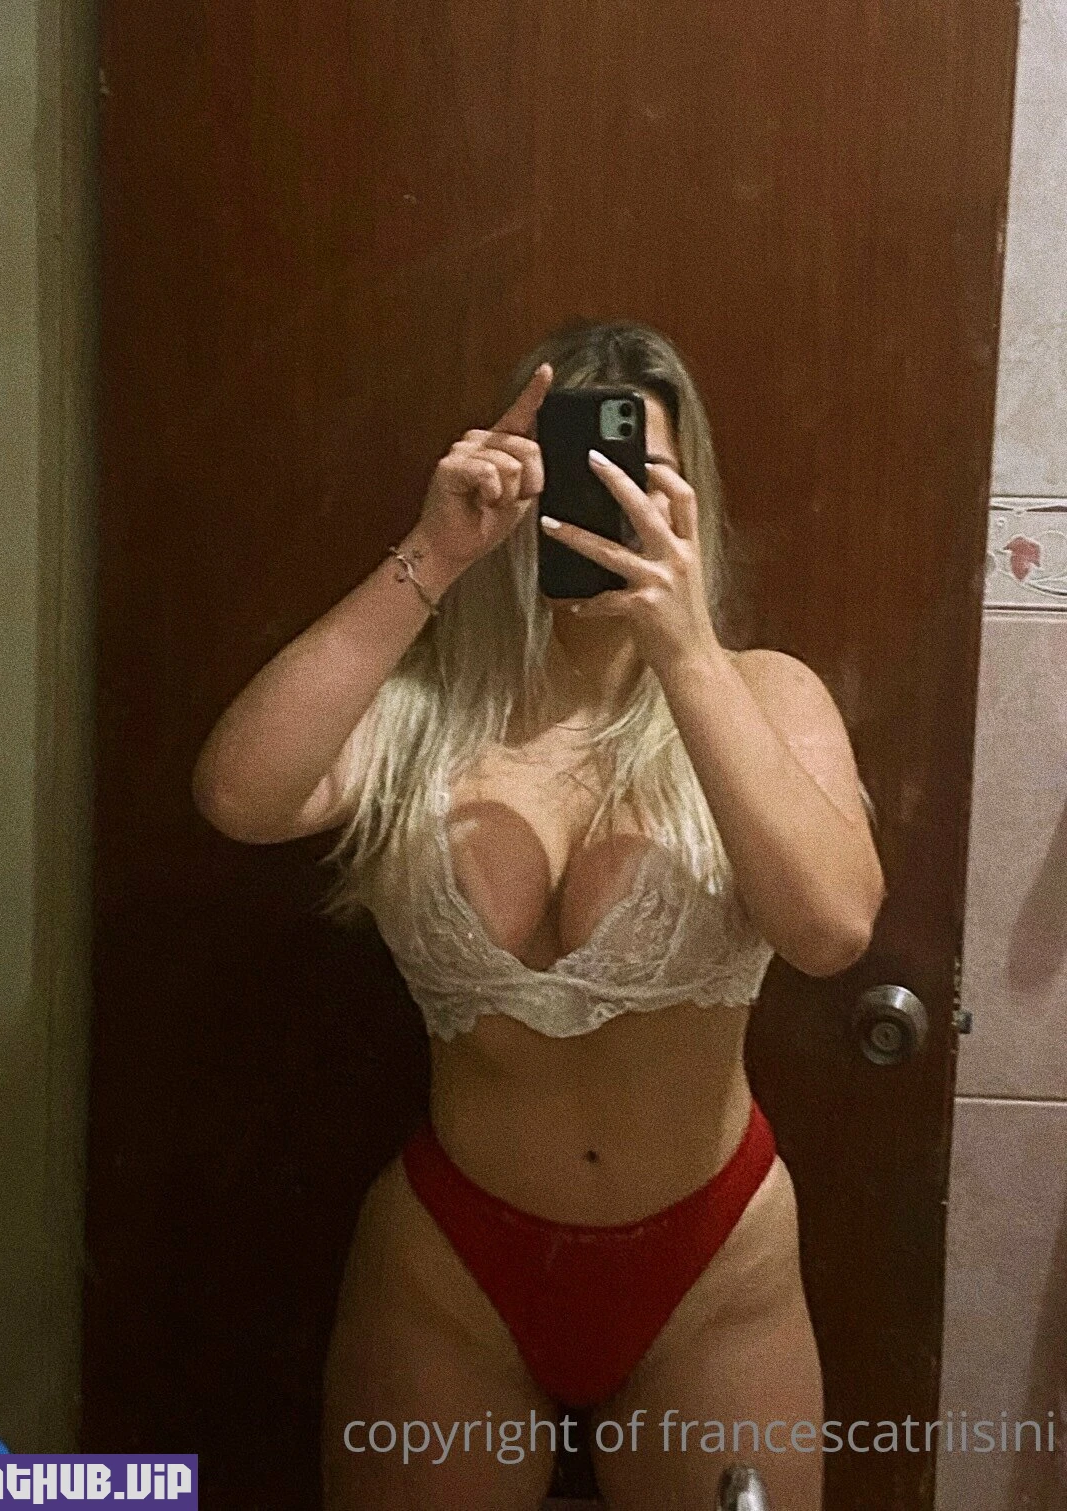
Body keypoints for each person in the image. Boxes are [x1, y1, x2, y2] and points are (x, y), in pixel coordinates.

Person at [191, 322, 886, 1510]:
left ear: (691, 499)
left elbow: (830, 931)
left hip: (716, 1266)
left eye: (639, 477)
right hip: (450, 1266)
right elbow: (239, 796)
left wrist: (684, 645)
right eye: (573, 472)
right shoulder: (426, 707)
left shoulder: (766, 693)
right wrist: (432, 552)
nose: (603, 505)